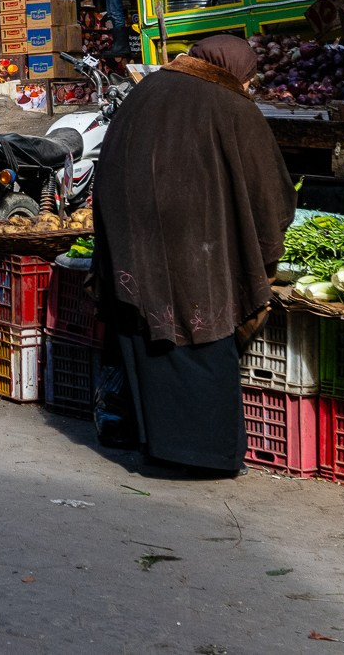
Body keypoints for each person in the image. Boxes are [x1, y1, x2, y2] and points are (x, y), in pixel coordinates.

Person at [94, 34, 292, 474]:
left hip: (134, 244)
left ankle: (151, 441)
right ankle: (204, 456)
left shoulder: (145, 91)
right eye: (250, 78)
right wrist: (264, 246)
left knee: (149, 335)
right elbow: (270, 193)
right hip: (195, 247)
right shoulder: (233, 108)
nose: (249, 86)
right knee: (201, 333)